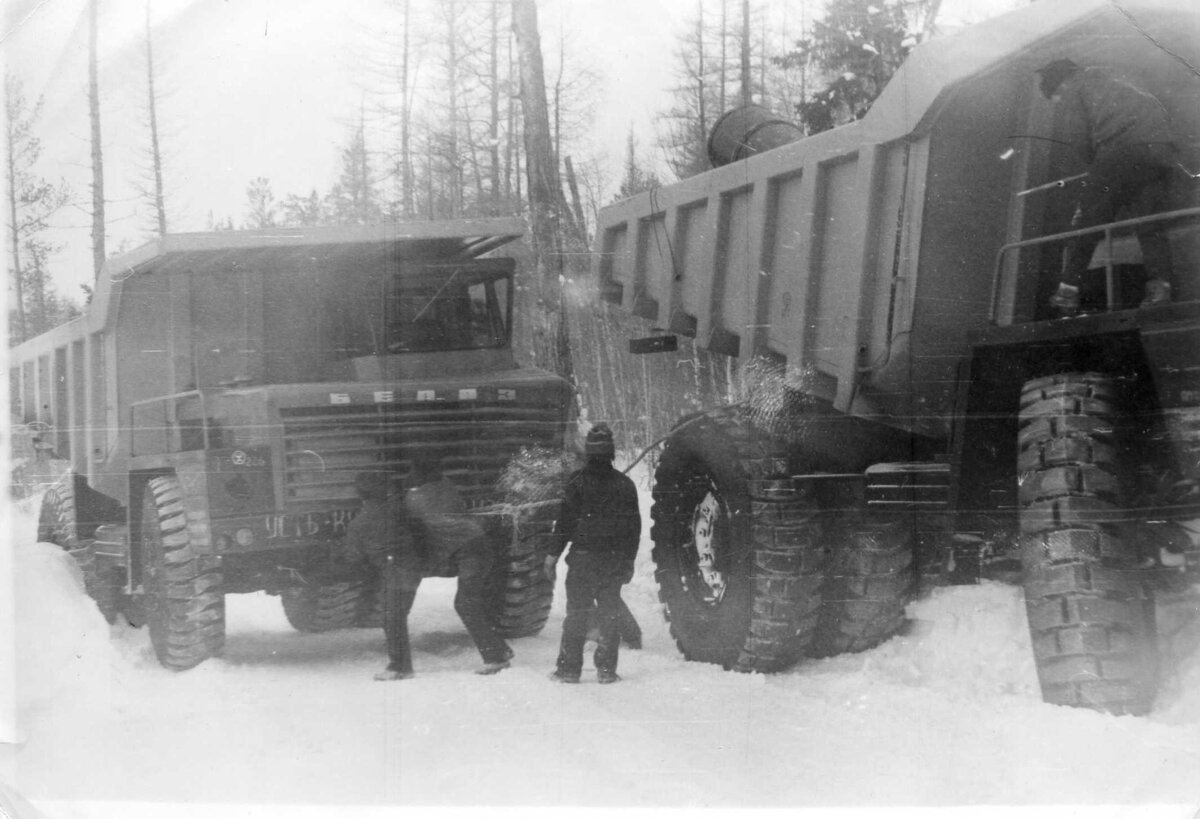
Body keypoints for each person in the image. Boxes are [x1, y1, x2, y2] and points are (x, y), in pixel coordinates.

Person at [1036, 59, 1178, 316]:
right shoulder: (1115, 76)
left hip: (1120, 149)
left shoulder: (1074, 87)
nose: (1058, 103)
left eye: (1055, 98)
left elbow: (1078, 138)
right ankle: (1160, 290)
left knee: (1087, 221)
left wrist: (1098, 170)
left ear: (1059, 85)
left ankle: (1067, 292)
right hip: (1159, 149)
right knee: (1150, 224)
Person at [546, 424, 641, 684]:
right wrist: (628, 561)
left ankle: (568, 670)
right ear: (612, 453)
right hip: (613, 560)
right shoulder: (625, 485)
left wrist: (552, 555)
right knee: (609, 613)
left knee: (576, 614)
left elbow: (564, 523)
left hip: (583, 560)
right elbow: (633, 529)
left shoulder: (576, 482)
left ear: (588, 452)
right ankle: (607, 671)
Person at [405, 453, 514, 675]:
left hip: (469, 552)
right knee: (467, 602)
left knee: (466, 604)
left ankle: (496, 657)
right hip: (479, 545)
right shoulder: (447, 487)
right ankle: (499, 650)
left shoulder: (414, 500)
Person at [342, 470, 423, 681]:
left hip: (394, 573)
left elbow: (353, 557)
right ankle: (401, 666)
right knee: (395, 616)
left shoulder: (359, 524)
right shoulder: (397, 510)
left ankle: (400, 667)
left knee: (391, 618)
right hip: (413, 567)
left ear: (361, 495)